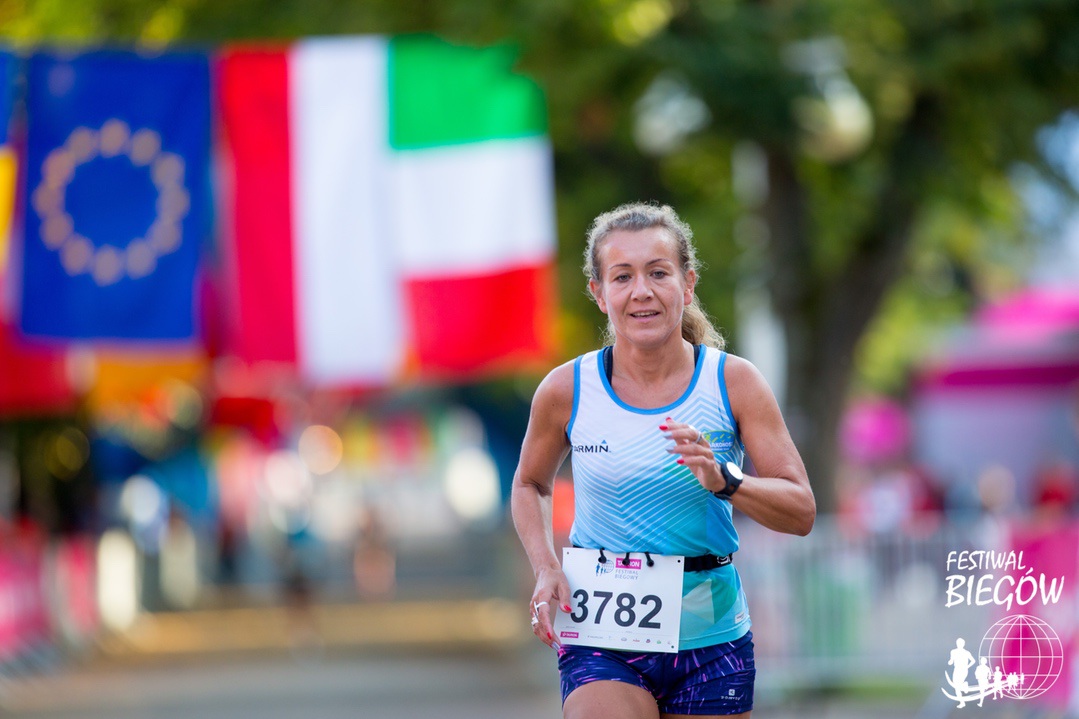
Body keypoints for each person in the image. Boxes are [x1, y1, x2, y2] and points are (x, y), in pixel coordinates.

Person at [510, 202, 815, 719]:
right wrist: (545, 567)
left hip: (711, 635)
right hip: (602, 635)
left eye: (658, 273)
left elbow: (801, 510)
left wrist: (725, 479)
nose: (641, 291)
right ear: (599, 293)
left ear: (687, 284)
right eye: (622, 276)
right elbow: (530, 484)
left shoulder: (733, 382)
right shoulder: (567, 389)